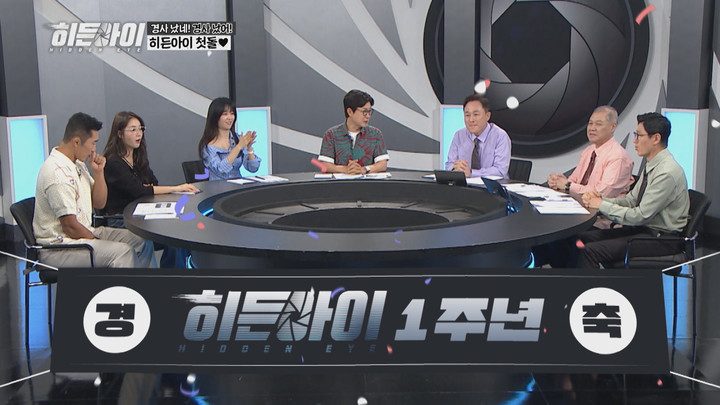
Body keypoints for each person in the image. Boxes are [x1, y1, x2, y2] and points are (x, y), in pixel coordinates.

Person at [33, 112, 153, 268]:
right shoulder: (57, 173)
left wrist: (98, 172)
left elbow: (99, 203)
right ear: (76, 142)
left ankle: (139, 282)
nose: (94, 150)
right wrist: (100, 243)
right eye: (93, 143)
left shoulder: (78, 165)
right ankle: (125, 284)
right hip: (59, 247)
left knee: (140, 241)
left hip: (83, 232)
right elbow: (70, 227)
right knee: (123, 252)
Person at [578, 112, 689, 268]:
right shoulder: (652, 164)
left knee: (589, 251)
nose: (634, 140)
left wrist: (601, 205)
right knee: (580, 240)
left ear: (656, 138)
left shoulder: (666, 172)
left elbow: (640, 215)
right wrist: (601, 200)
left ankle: (593, 284)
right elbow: (631, 200)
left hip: (661, 239)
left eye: (639, 136)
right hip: (643, 230)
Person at [103, 111, 198, 267]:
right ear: (119, 134)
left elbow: (152, 183)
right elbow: (139, 191)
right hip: (123, 220)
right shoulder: (114, 163)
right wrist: (176, 188)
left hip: (145, 215)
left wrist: (145, 188)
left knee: (179, 237)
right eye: (133, 130)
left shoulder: (138, 157)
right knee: (173, 238)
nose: (138, 134)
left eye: (140, 129)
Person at [547, 105, 634, 229]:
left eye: (598, 124)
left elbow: (599, 195)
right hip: (576, 213)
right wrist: (558, 182)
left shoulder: (618, 157)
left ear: (612, 127)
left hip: (599, 221)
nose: (592, 128)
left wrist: (567, 185)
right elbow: (574, 180)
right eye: (590, 123)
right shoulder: (589, 151)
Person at [318, 89, 389, 174]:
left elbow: (382, 164)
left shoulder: (376, 134)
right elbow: (324, 165)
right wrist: (345, 169)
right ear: (350, 112)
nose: (368, 116)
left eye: (369, 111)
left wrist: (363, 169)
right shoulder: (331, 135)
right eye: (364, 112)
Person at [444, 94, 511, 178]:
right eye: (467, 115)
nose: (471, 120)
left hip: (492, 185)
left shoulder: (500, 136)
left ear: (487, 116)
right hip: (465, 185)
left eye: (476, 114)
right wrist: (455, 169)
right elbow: (449, 164)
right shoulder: (459, 135)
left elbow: (500, 171)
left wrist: (471, 173)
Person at [198, 97, 261, 180]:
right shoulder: (208, 146)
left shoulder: (237, 139)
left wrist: (249, 149)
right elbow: (221, 170)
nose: (230, 117)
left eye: (232, 113)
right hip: (218, 186)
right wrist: (238, 147)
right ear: (215, 117)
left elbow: (253, 168)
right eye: (225, 114)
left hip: (238, 186)